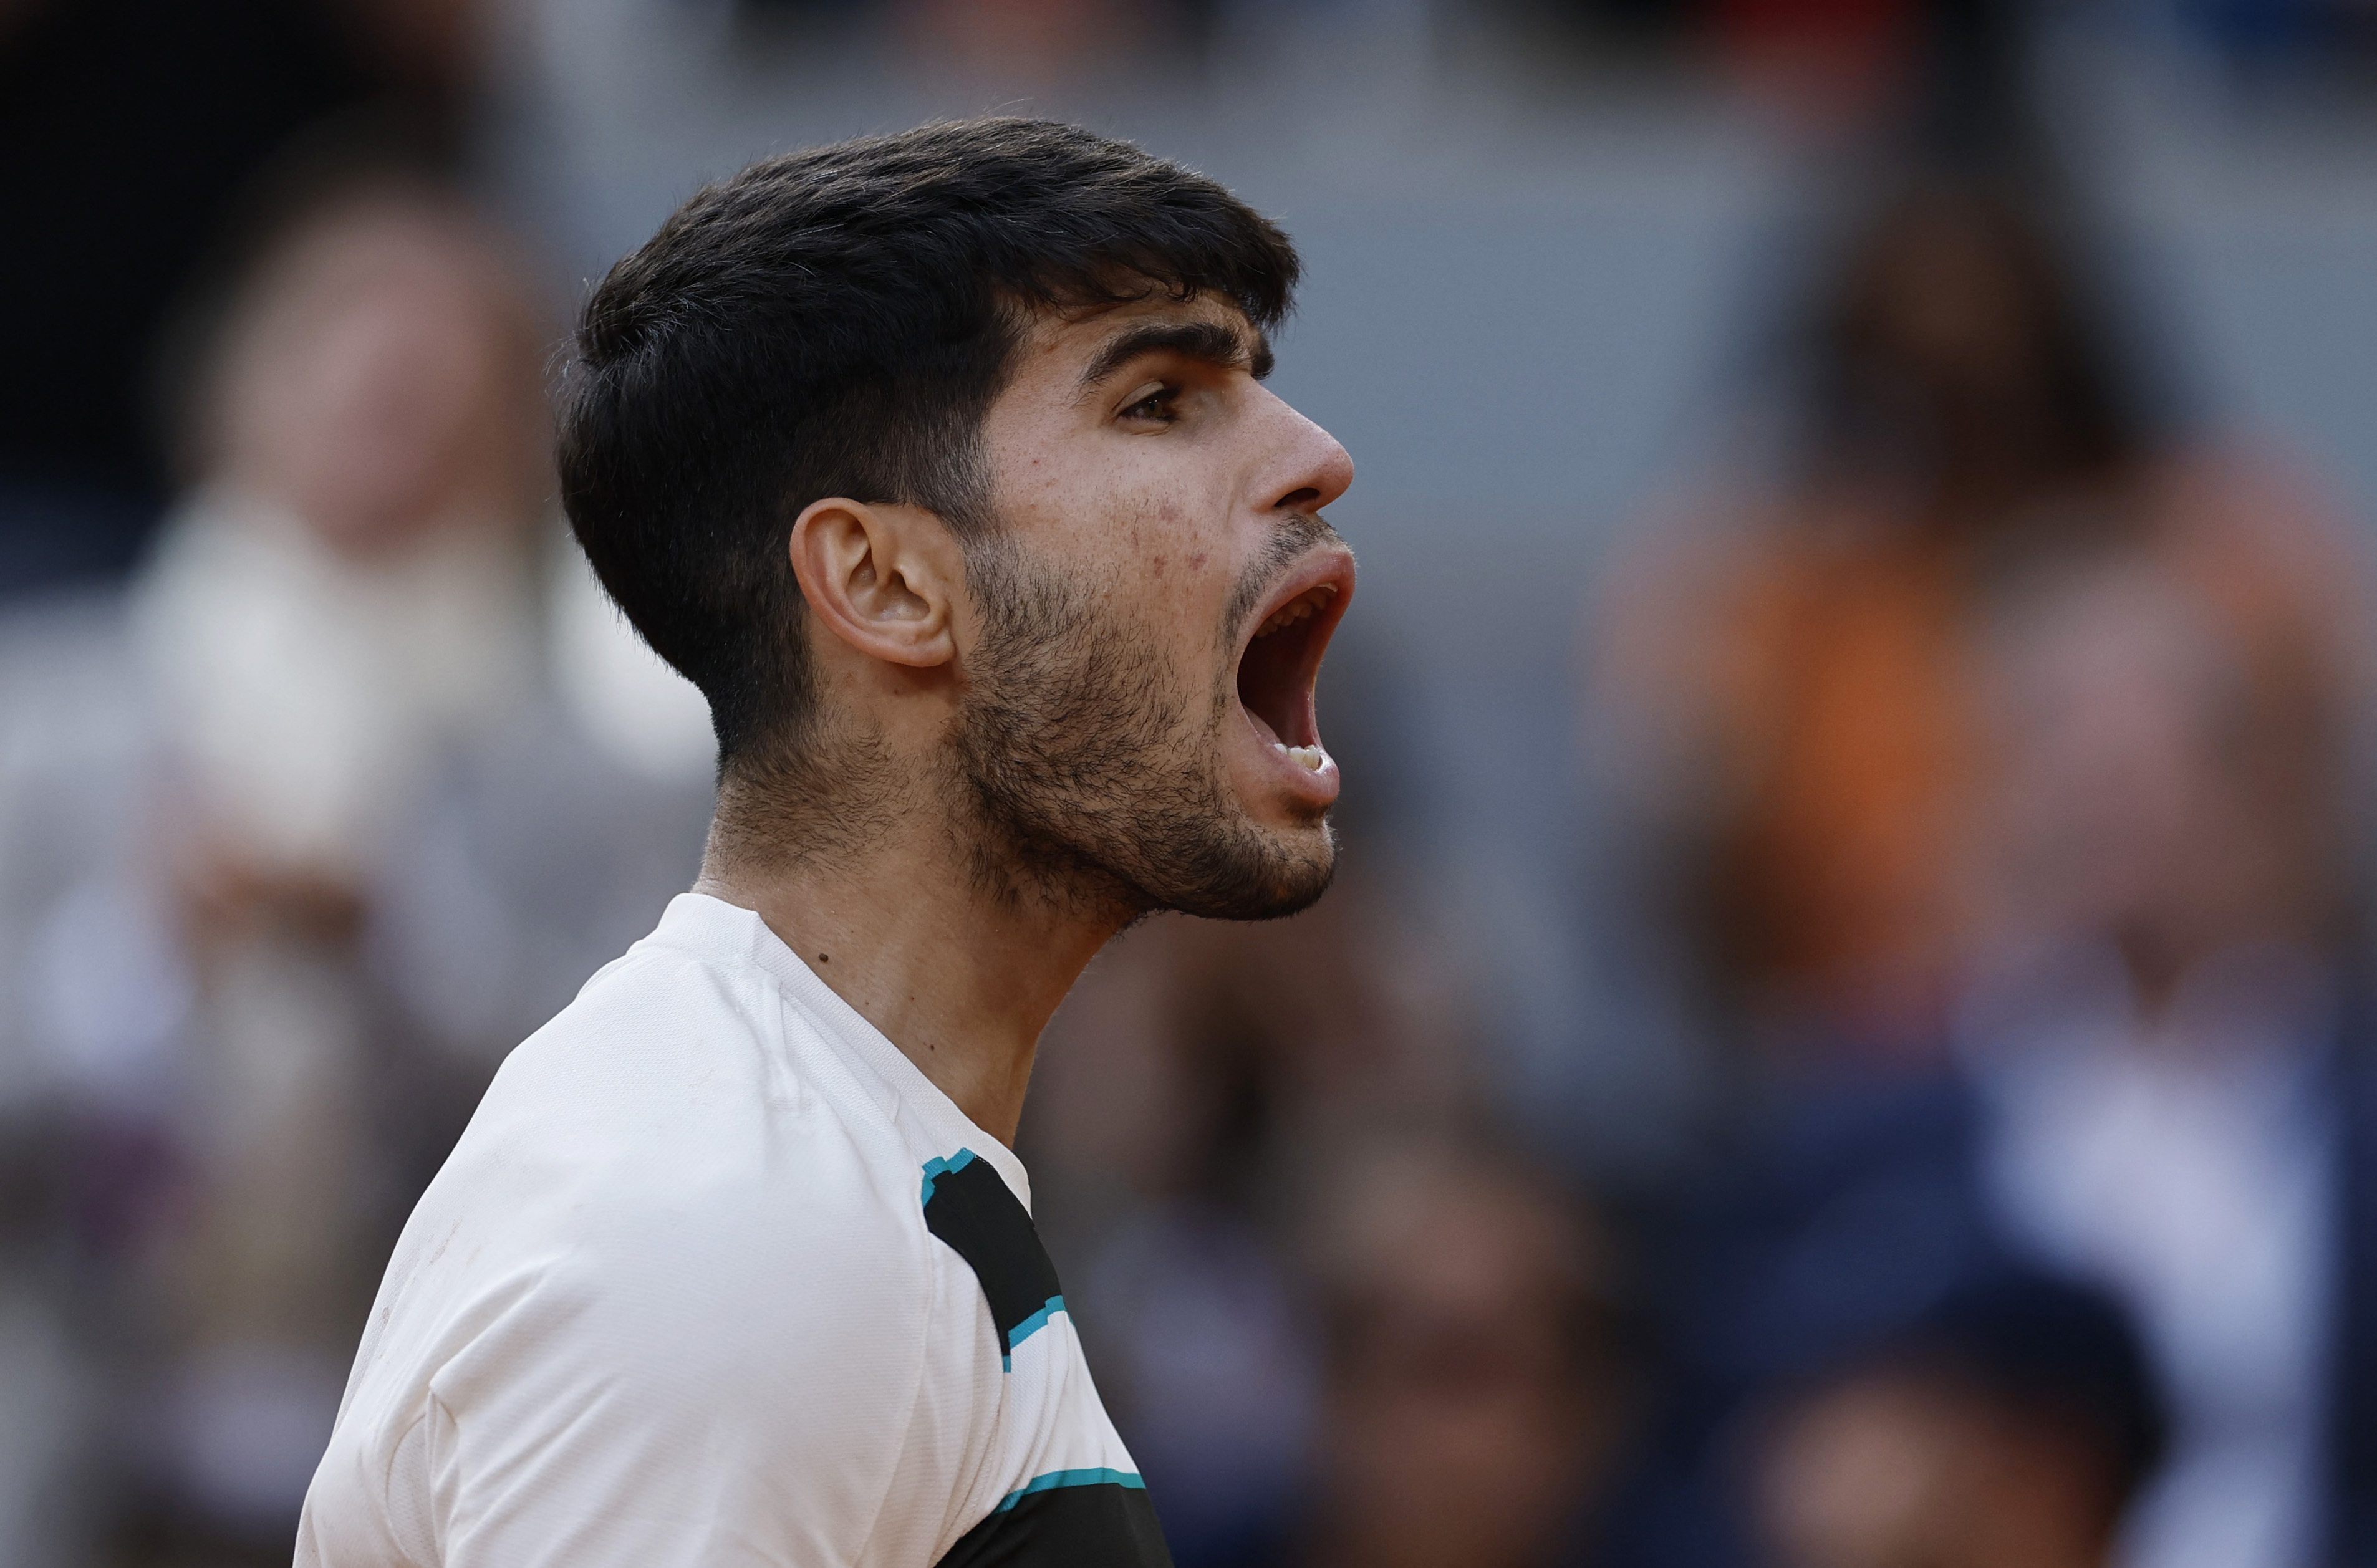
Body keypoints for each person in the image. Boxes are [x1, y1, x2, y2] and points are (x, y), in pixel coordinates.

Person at [297, 117, 1357, 1567]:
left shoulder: (817, 1167)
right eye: (1159, 400)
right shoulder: (729, 1230)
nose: (1314, 457)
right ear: (884, 583)